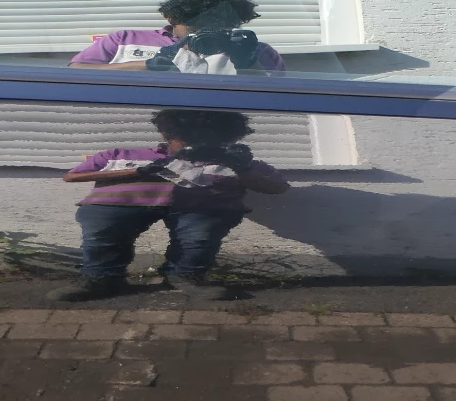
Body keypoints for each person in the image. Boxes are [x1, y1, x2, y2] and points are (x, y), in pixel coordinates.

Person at [48, 108, 288, 303]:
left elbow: (278, 187)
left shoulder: (235, 161)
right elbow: (72, 176)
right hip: (120, 203)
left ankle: (185, 277)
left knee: (198, 238)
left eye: (208, 141)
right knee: (103, 232)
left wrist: (241, 167)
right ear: (166, 134)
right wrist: (139, 170)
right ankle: (100, 279)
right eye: (188, 141)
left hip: (202, 207)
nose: (198, 146)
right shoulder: (121, 154)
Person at [67, 0, 286, 75]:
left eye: (218, 27)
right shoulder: (124, 39)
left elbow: (279, 97)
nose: (205, 32)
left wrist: (247, 63)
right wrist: (148, 65)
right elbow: (76, 72)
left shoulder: (254, 51)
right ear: (171, 19)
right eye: (196, 27)